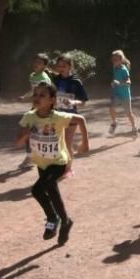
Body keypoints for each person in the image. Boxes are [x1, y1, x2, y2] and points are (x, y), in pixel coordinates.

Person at [16, 82, 89, 244]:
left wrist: (85, 143)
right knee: (45, 191)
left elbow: (81, 119)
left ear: (52, 100)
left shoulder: (58, 117)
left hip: (58, 161)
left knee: (40, 188)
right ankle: (65, 221)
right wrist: (26, 133)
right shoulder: (29, 117)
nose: (37, 98)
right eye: (36, 94)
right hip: (42, 163)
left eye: (42, 95)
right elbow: (18, 143)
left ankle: (53, 218)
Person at [108, 50, 137, 137]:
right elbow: (115, 79)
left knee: (128, 113)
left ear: (121, 60)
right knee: (111, 107)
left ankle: (134, 127)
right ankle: (114, 123)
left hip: (125, 95)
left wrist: (120, 83)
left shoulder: (124, 70)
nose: (114, 61)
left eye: (116, 59)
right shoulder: (114, 67)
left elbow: (128, 82)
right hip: (116, 93)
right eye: (113, 60)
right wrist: (113, 83)